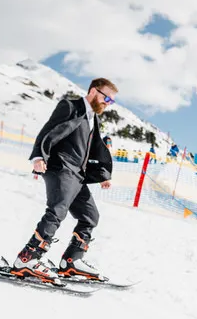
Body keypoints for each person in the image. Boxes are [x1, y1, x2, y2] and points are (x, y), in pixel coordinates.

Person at [10, 78, 117, 281]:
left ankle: (72, 261)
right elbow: (48, 129)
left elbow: (92, 147)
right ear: (94, 91)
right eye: (107, 98)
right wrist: (38, 156)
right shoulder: (71, 106)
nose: (108, 104)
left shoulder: (93, 117)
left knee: (90, 216)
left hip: (78, 174)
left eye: (111, 101)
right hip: (60, 167)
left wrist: (103, 174)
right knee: (57, 210)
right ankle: (27, 258)